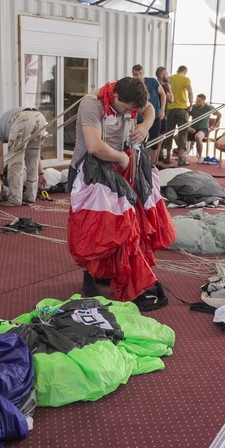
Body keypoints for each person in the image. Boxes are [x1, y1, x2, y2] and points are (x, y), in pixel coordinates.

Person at [67, 77, 157, 298]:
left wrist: (144, 126)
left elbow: (151, 109)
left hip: (117, 171)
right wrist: (122, 158)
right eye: (127, 109)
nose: (131, 112)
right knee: (92, 228)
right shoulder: (91, 104)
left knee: (118, 226)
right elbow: (94, 145)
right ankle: (89, 275)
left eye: (134, 110)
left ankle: (108, 271)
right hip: (89, 172)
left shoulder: (132, 97)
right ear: (115, 97)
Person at [0, 107, 47, 206]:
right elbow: (36, 157)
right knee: (33, 157)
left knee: (15, 162)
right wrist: (41, 173)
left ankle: (15, 199)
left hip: (22, 119)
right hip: (40, 117)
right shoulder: (5, 124)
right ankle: (31, 196)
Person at [132, 64, 167, 164]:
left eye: (140, 73)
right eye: (136, 74)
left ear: (143, 73)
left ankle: (152, 165)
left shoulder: (152, 82)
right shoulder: (132, 86)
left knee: (154, 142)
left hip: (155, 116)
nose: (138, 76)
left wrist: (162, 109)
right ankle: (140, 163)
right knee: (138, 141)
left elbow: (163, 94)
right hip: (139, 118)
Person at [166, 66, 194, 166]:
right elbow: (190, 92)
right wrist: (190, 105)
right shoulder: (185, 79)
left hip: (170, 109)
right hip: (182, 109)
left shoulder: (170, 78)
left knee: (169, 132)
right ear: (185, 71)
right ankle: (181, 158)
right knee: (183, 133)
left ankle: (168, 157)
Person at [188, 94, 221, 163]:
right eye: (196, 100)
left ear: (203, 101)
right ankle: (183, 153)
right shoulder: (193, 107)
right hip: (192, 129)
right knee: (177, 136)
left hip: (203, 129)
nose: (196, 102)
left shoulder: (209, 107)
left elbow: (219, 115)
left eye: (199, 101)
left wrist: (214, 126)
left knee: (197, 137)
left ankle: (200, 156)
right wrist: (189, 128)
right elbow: (186, 118)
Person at [156, 66, 175, 164]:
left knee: (158, 139)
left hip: (158, 114)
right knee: (159, 139)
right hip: (161, 115)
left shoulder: (157, 85)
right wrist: (170, 89)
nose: (167, 75)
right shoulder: (163, 87)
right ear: (161, 75)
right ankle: (155, 162)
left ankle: (156, 159)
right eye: (165, 74)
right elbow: (171, 100)